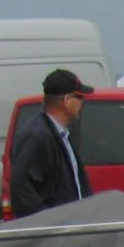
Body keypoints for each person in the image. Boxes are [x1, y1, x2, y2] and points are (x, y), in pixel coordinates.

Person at [8, 69, 93, 219]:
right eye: (79, 97)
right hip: (55, 232)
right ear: (66, 100)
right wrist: (48, 225)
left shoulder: (61, 135)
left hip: (74, 226)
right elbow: (23, 189)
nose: (82, 102)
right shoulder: (35, 136)